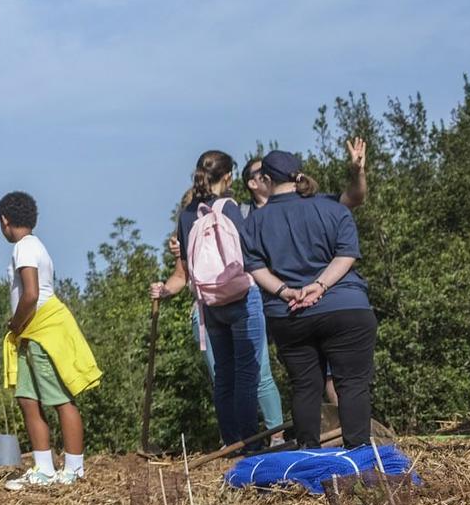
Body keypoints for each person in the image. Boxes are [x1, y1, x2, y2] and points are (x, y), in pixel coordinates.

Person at [242, 151, 377, 449]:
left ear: (265, 179)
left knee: (305, 387)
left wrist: (285, 291)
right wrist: (320, 286)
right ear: (299, 174)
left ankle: (309, 458)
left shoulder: (253, 222)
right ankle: (359, 460)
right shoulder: (330, 208)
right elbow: (347, 254)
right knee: (352, 384)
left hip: (288, 314)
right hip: (345, 307)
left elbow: (255, 267)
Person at [150, 150, 275, 449]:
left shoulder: (187, 214)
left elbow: (186, 269)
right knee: (248, 373)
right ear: (229, 177)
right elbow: (248, 253)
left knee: (224, 377)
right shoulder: (228, 207)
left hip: (209, 303)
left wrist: (166, 289)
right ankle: (251, 443)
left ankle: (231, 441)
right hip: (241, 296)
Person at [0, 192, 100, 490]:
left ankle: (74, 468)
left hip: (41, 330)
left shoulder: (26, 247)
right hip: (29, 334)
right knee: (28, 398)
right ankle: (44, 468)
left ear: (5, 220)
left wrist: (15, 322)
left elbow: (30, 293)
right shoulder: (28, 246)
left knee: (59, 399)